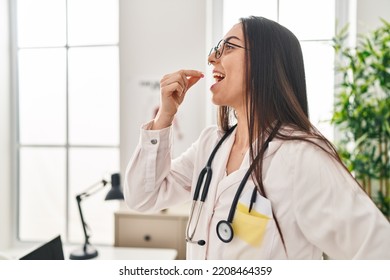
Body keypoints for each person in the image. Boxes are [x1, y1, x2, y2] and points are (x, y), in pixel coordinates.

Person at [124, 16, 390, 259]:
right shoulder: (211, 146)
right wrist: (164, 119)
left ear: (266, 62)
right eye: (217, 48)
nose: (211, 57)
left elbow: (377, 252)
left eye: (228, 47)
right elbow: (143, 197)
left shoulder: (302, 157)